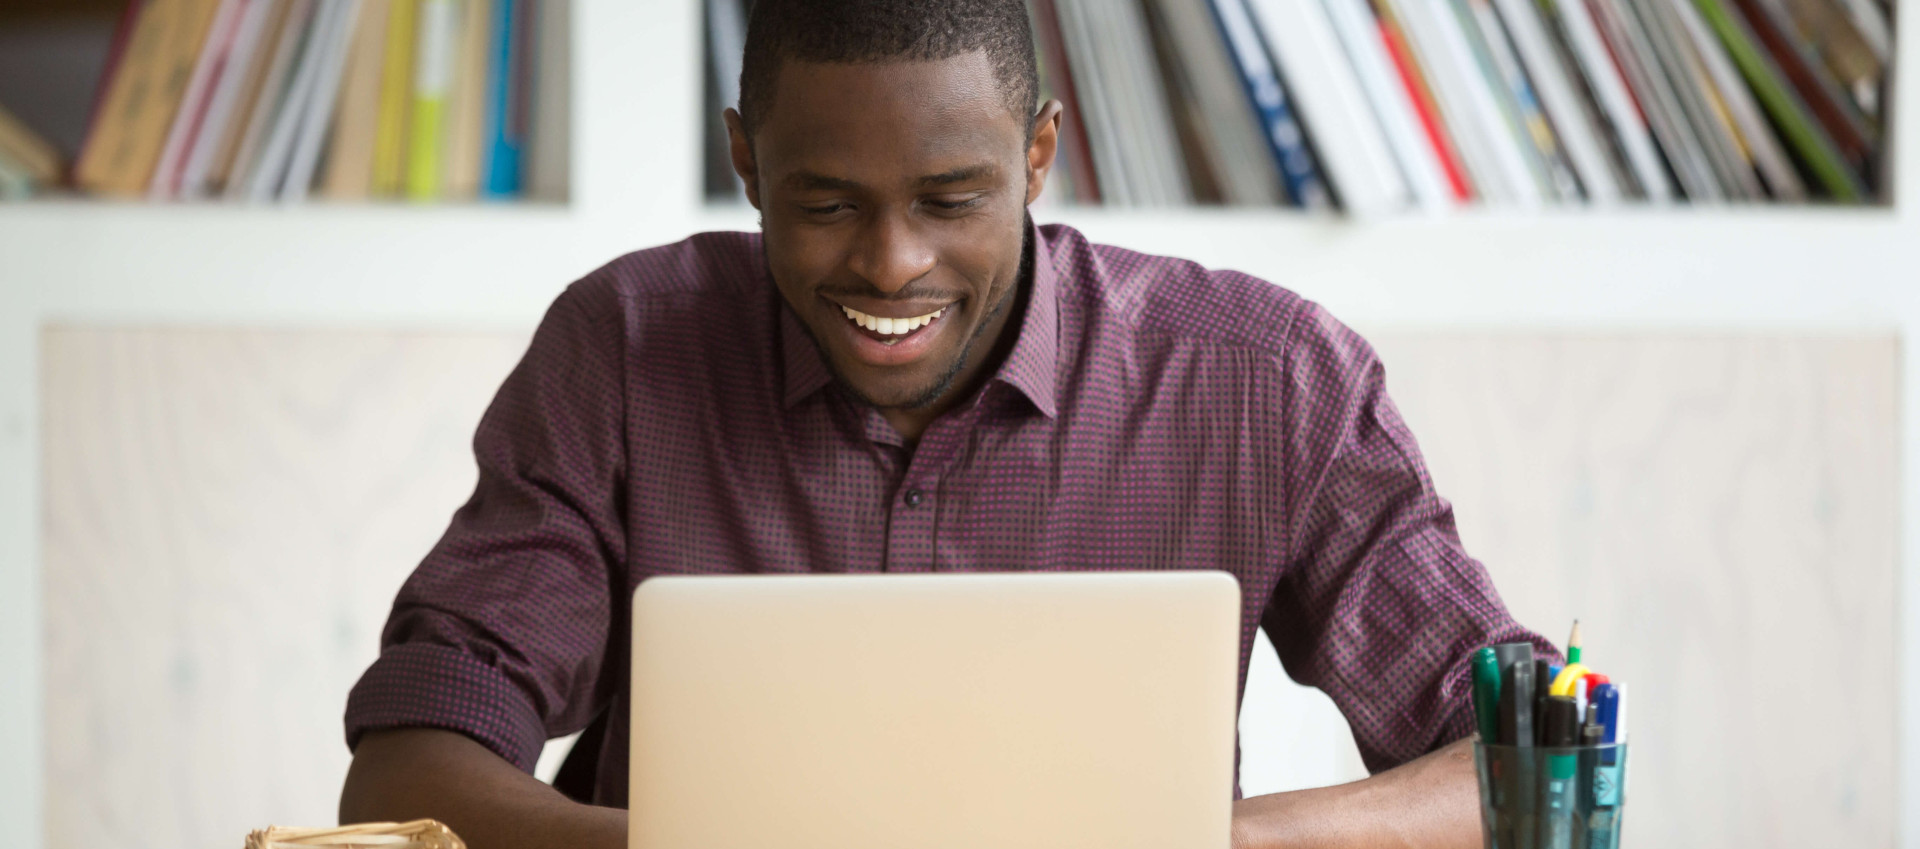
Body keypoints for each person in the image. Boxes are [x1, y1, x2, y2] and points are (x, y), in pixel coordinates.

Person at [338, 1, 1556, 846]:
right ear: (746, 163)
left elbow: (1544, 766)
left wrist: (1184, 844)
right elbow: (407, 769)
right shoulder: (621, 350)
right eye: (823, 203)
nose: (889, 263)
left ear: (1036, 156)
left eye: (951, 198)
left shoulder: (1263, 379)